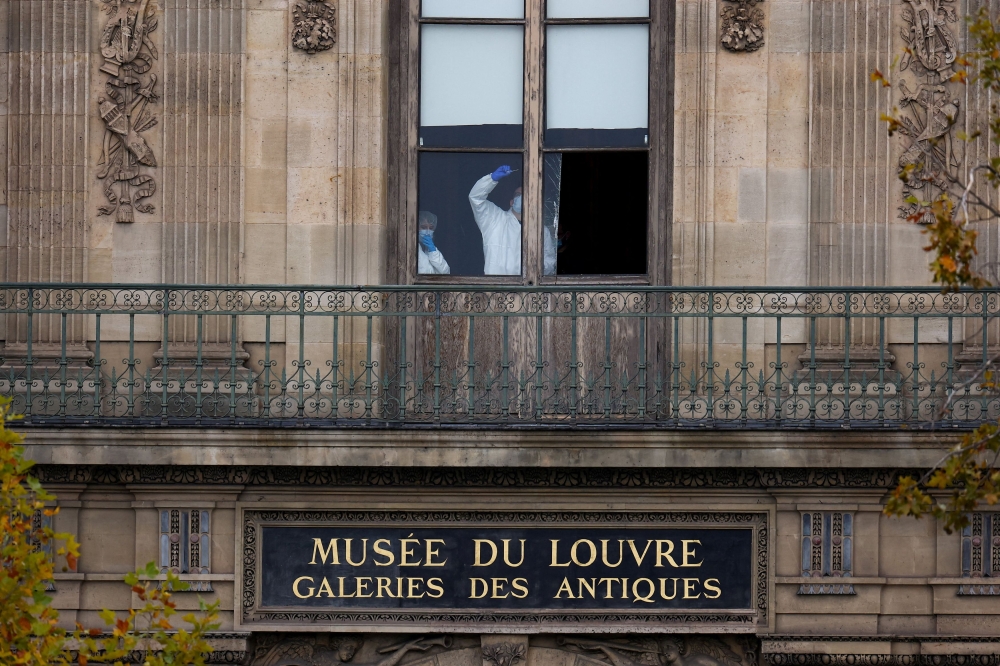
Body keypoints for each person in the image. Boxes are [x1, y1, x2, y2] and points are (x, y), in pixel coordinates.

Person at [469, 165, 521, 275]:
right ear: (511, 202)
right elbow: (476, 198)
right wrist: (491, 179)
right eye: (518, 195)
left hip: (528, 291)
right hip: (496, 289)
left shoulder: (541, 230)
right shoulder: (495, 219)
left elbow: (548, 261)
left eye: (527, 195)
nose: (523, 198)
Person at [417, 210, 450, 275]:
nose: (428, 231)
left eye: (431, 228)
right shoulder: (410, 248)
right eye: (423, 227)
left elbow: (445, 272)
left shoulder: (430, 249)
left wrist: (433, 251)